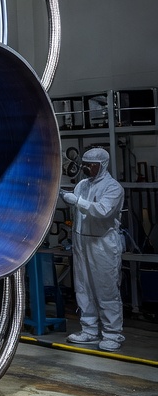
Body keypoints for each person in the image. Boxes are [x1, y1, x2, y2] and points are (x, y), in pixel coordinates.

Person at [61, 146, 125, 351]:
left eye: (91, 165)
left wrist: (76, 201)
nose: (86, 168)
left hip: (102, 244)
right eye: (85, 164)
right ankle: (89, 330)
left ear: (102, 165)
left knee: (106, 289)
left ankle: (112, 334)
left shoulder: (113, 187)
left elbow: (103, 211)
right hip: (81, 243)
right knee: (83, 287)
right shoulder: (81, 185)